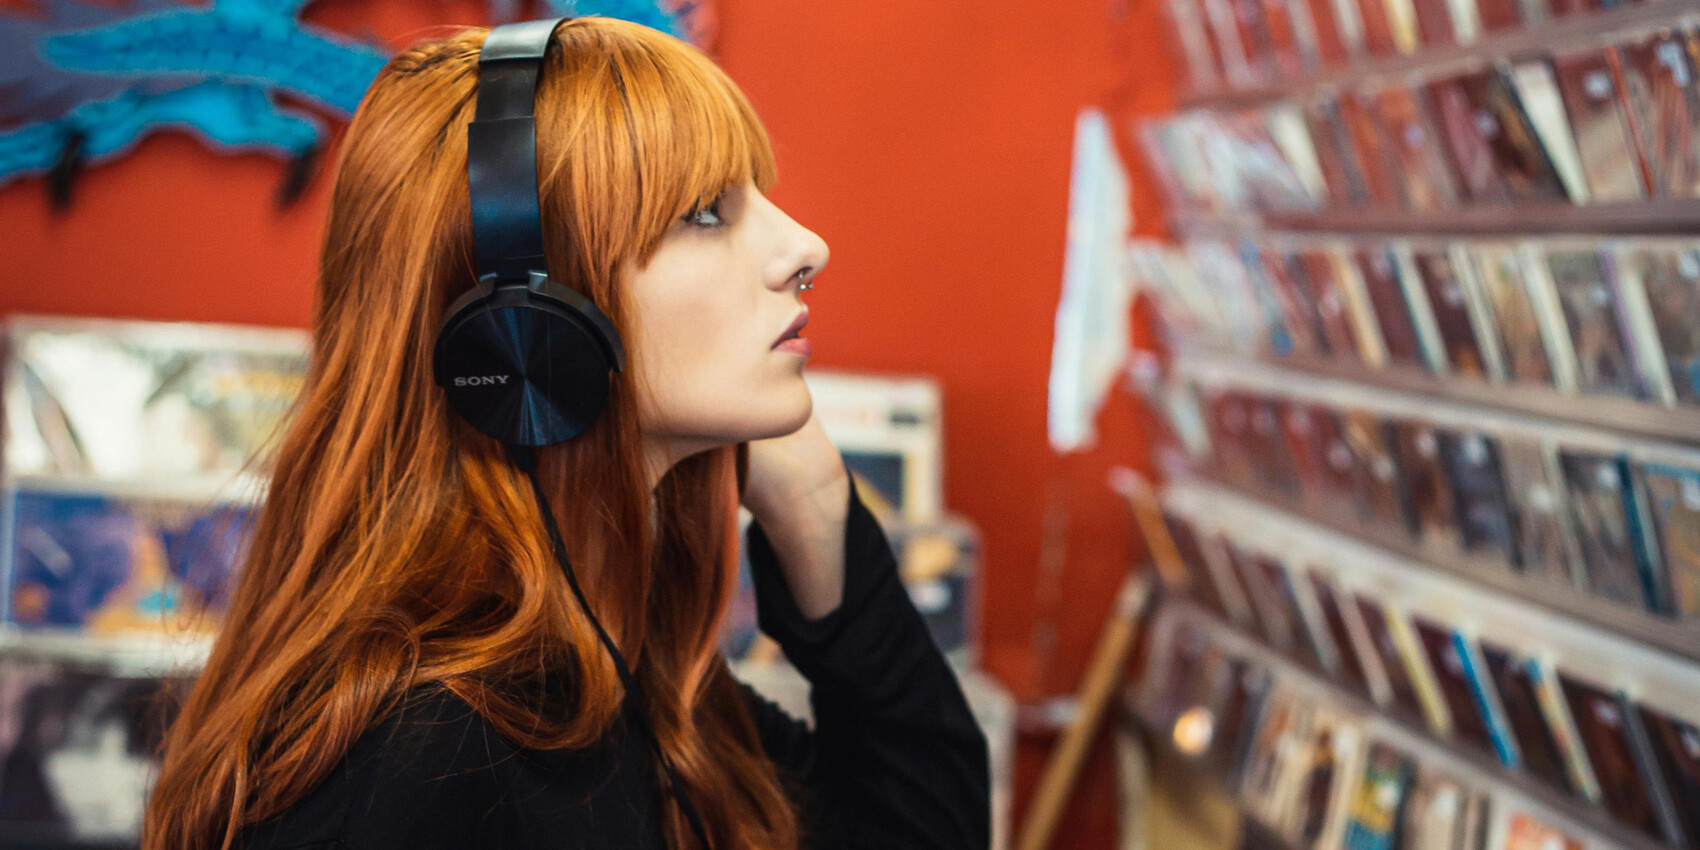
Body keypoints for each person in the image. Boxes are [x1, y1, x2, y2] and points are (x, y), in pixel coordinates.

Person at [140, 15, 989, 850]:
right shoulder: (416, 760)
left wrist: (810, 501)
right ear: (529, 323)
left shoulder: (617, 673)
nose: (808, 246)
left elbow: (921, 827)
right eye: (704, 212)